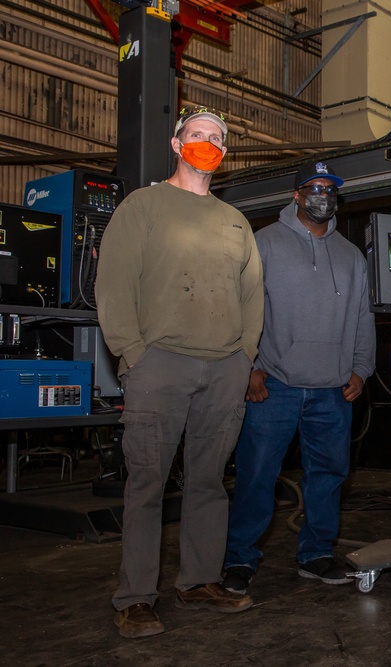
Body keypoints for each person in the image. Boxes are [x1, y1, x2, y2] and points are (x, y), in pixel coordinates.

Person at [96, 106, 264, 638]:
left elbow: (253, 294)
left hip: (224, 370)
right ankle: (136, 598)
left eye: (216, 137)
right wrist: (133, 353)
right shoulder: (142, 206)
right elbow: (115, 284)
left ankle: (198, 581)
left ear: (224, 154)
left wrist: (244, 356)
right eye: (197, 134)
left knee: (210, 482)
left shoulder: (235, 222)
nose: (206, 143)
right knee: (146, 484)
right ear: (176, 143)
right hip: (158, 365)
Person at [221, 160, 376, 594]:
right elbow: (241, 308)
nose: (322, 195)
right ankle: (239, 560)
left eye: (329, 188)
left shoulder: (350, 256)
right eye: (313, 187)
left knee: (328, 476)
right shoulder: (264, 243)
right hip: (275, 386)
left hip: (333, 390)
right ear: (296, 195)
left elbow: (364, 317)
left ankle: (316, 553)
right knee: (256, 475)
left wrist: (362, 368)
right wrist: (249, 366)